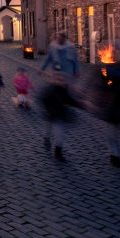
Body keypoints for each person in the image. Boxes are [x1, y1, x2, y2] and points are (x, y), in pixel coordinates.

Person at [40, 31, 80, 160]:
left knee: (63, 99)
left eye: (61, 38)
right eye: (57, 38)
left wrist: (76, 71)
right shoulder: (53, 47)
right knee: (51, 119)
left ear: (64, 39)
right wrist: (42, 68)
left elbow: (75, 60)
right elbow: (49, 58)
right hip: (56, 75)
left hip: (67, 76)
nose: (58, 40)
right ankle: (47, 136)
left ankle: (58, 149)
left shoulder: (70, 48)